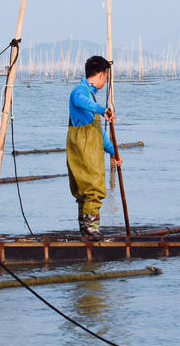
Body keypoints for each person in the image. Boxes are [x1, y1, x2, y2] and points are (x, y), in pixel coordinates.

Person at [66, 55, 122, 237]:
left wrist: (113, 151)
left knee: (87, 190)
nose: (105, 80)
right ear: (101, 75)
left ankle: (86, 230)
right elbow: (82, 102)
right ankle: (91, 230)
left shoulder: (91, 96)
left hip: (92, 149)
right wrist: (102, 110)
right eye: (106, 76)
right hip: (83, 150)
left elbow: (100, 133)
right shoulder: (79, 92)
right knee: (91, 189)